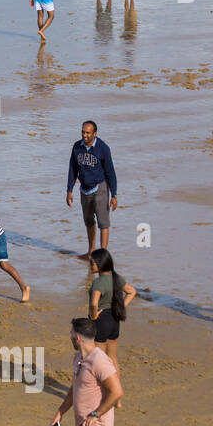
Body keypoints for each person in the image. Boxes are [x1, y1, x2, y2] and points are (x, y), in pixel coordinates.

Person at [66, 120, 119, 261]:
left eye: (88, 133)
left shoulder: (103, 149)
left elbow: (111, 173)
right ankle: (91, 252)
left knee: (103, 222)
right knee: (89, 221)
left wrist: (114, 195)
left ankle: (102, 256)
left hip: (100, 187)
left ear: (95, 133)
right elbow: (72, 169)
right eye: (83, 132)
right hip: (84, 189)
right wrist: (69, 190)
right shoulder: (77, 147)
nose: (85, 135)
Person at [88, 248, 134, 371]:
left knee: (99, 361)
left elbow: (93, 303)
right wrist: (120, 307)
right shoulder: (117, 278)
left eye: (92, 262)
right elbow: (132, 292)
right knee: (113, 358)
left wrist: (93, 316)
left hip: (101, 320)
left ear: (100, 264)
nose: (90, 265)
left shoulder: (98, 282)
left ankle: (103, 389)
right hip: (114, 319)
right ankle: (117, 388)